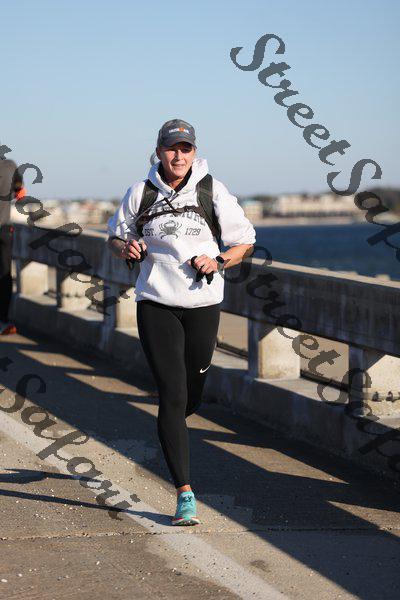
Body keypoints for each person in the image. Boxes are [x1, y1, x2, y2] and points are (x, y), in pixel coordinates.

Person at [107, 118, 256, 525]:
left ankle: (174, 424)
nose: (178, 155)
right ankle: (184, 493)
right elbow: (115, 238)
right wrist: (127, 247)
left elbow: (245, 241)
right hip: (156, 302)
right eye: (171, 148)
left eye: (185, 148)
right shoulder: (140, 192)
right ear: (159, 152)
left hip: (203, 303)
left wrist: (218, 259)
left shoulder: (212, 190)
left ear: (194, 152)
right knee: (172, 395)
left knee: (191, 394)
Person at [0, 158, 26, 335]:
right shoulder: (9, 166)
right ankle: (2, 321)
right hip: (3, 229)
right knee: (4, 275)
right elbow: (21, 193)